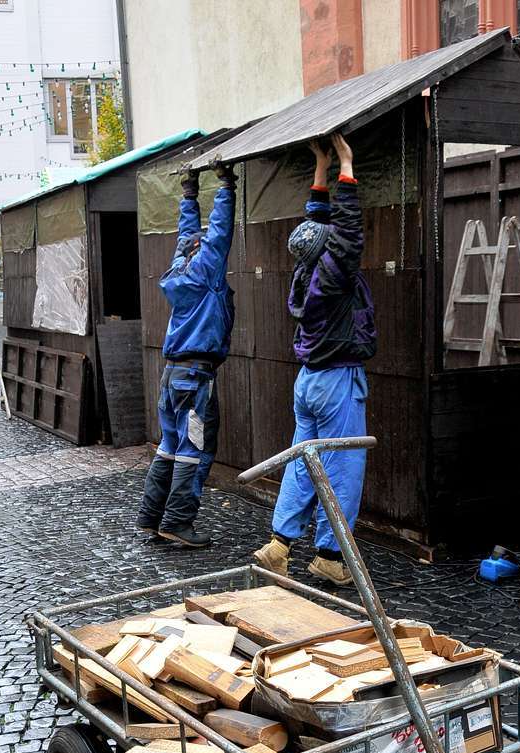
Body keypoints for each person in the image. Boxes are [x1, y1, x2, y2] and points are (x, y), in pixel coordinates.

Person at [254, 133, 376, 586]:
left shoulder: (306, 269)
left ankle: (279, 545)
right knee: (341, 470)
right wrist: (347, 161)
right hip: (337, 383)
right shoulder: (334, 272)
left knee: (302, 462)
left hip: (308, 382)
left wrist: (321, 168)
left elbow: (318, 222)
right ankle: (330, 556)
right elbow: (346, 230)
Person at [137, 163, 236, 548]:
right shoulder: (207, 271)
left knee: (169, 445)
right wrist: (227, 185)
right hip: (196, 376)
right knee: (193, 451)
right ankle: (177, 522)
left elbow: (186, 235)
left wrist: (189, 194)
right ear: (203, 251)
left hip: (173, 375)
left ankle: (150, 517)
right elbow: (221, 234)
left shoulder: (179, 268)